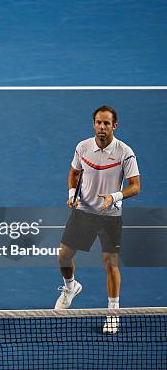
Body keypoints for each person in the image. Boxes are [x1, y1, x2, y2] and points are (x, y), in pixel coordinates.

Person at [55, 105, 140, 333]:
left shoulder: (125, 152)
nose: (101, 127)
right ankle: (71, 287)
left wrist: (114, 196)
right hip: (83, 211)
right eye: (98, 123)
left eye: (106, 123)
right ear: (93, 124)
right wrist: (72, 194)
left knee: (110, 264)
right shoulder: (82, 147)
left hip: (110, 216)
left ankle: (113, 312)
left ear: (115, 126)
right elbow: (74, 172)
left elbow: (135, 186)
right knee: (63, 256)